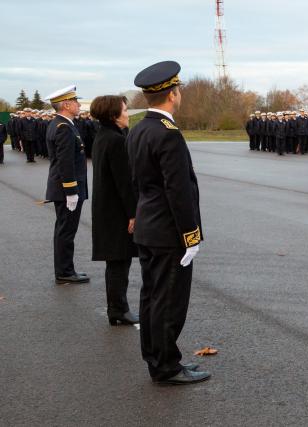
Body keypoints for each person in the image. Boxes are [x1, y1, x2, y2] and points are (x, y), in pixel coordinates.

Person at [127, 61, 209, 385]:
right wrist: (191, 236)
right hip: (168, 232)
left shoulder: (138, 130)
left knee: (151, 298)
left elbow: (138, 182)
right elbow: (179, 192)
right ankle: (166, 366)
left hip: (149, 226)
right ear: (173, 94)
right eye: (179, 90)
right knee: (169, 301)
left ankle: (155, 356)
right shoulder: (168, 134)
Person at [90, 95, 139, 326]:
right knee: (120, 261)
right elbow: (124, 182)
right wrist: (133, 213)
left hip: (107, 209)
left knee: (117, 262)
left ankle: (117, 308)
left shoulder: (105, 135)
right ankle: (118, 309)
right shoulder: (115, 140)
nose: (128, 114)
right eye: (125, 110)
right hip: (116, 211)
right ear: (113, 115)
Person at [43, 86, 90, 285]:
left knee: (64, 230)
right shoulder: (63, 127)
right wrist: (71, 191)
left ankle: (65, 269)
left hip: (63, 188)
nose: (79, 105)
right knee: (66, 231)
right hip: (66, 190)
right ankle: (64, 272)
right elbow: (65, 163)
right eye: (76, 101)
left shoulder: (62, 124)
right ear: (66, 104)